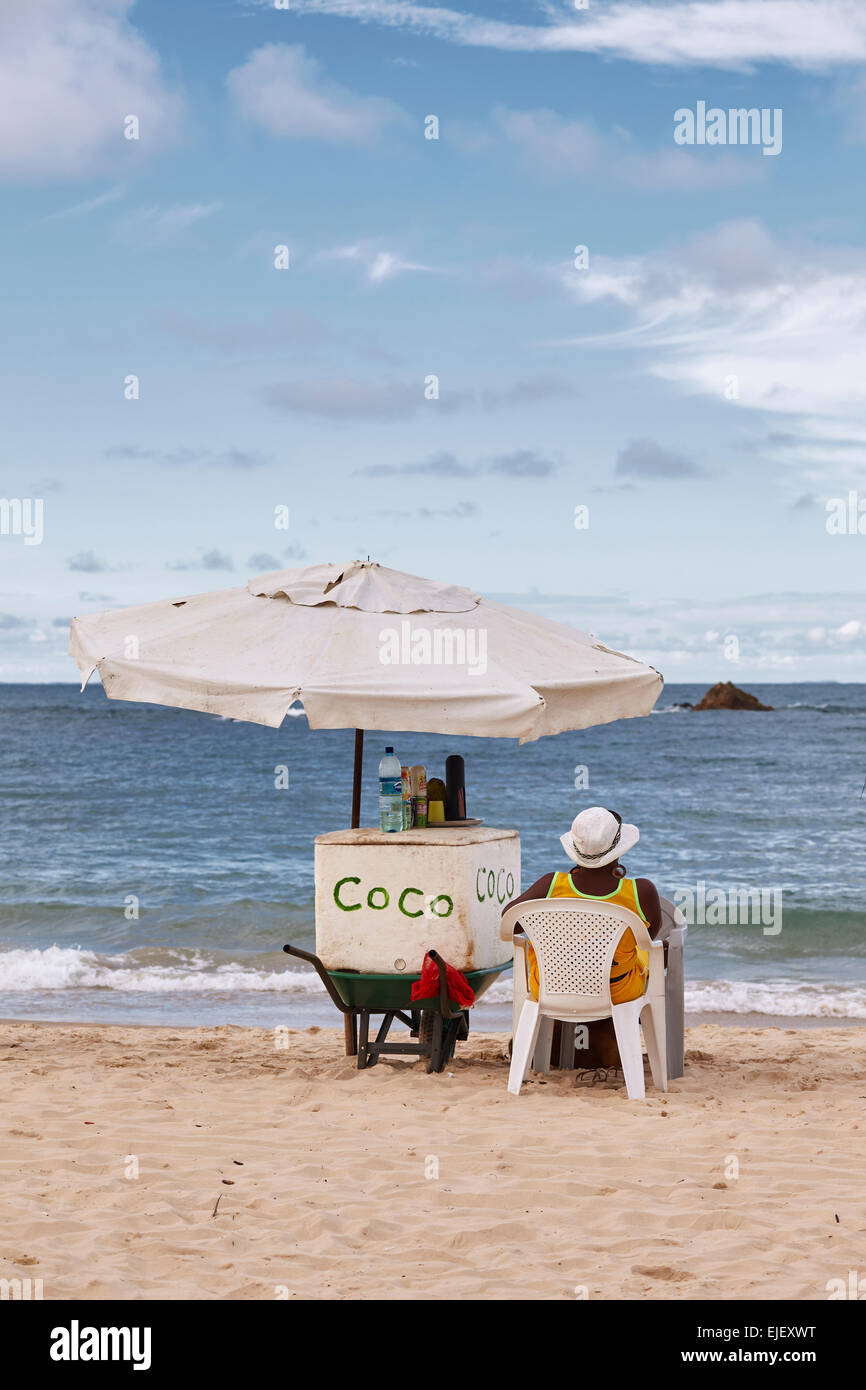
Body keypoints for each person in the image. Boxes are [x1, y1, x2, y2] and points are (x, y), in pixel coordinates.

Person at [502, 806, 663, 1069]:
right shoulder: (640, 892)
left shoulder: (551, 885)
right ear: (620, 848)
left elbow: (510, 923)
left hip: (551, 986)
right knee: (654, 951)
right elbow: (649, 936)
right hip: (616, 991)